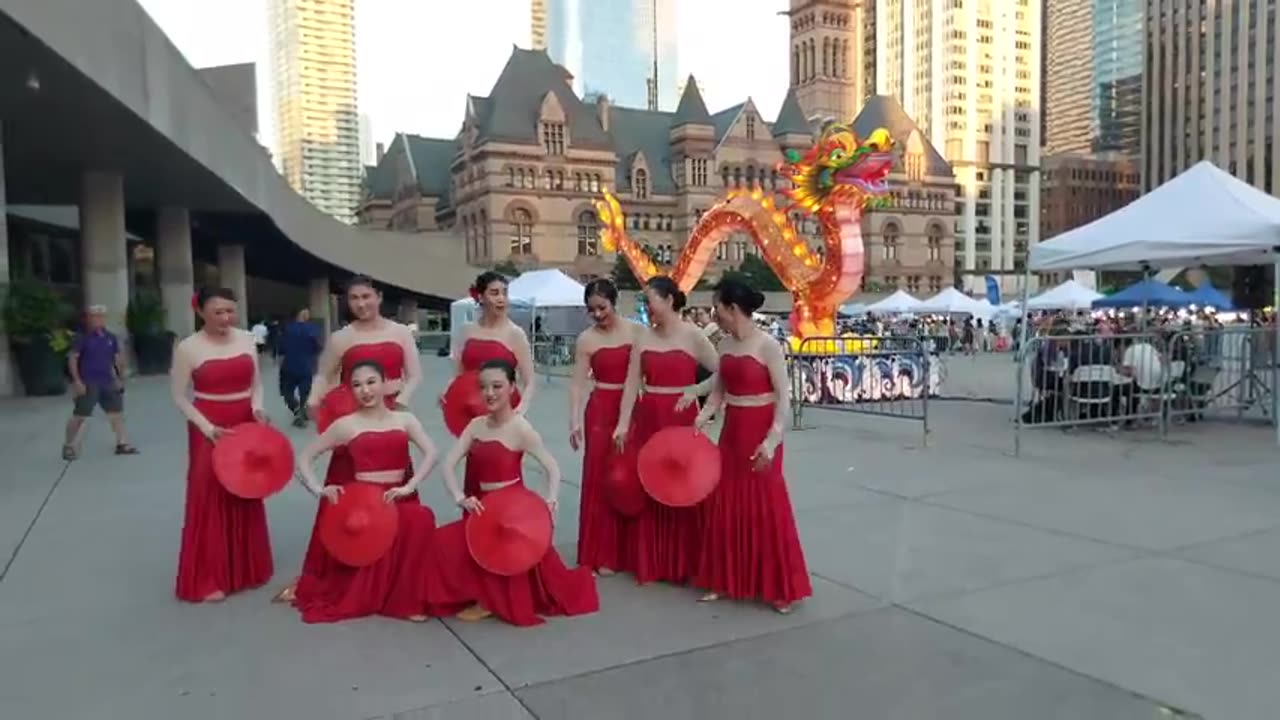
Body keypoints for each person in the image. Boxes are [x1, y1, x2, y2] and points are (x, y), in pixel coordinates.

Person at [272, 275, 422, 603]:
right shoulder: (342, 338)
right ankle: (339, 568)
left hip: (392, 417)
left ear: (379, 296)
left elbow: (415, 375)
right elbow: (324, 375)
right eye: (354, 299)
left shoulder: (399, 332)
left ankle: (396, 575)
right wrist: (313, 401)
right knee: (347, 499)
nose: (361, 304)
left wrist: (402, 404)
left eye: (367, 296)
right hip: (354, 420)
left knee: (395, 493)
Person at [429, 359, 598, 626]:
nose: (489, 393)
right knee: (440, 544)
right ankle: (478, 594)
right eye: (484, 387)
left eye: (497, 386)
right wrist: (460, 498)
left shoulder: (521, 428)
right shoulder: (475, 426)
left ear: (511, 388)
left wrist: (550, 499)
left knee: (502, 546)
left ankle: (488, 598)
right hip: (483, 508)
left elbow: (552, 467)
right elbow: (448, 464)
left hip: (513, 510)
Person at [693, 279, 812, 613]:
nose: (714, 314)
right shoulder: (726, 346)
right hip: (732, 431)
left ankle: (779, 588)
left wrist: (772, 440)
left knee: (767, 506)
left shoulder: (768, 345)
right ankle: (722, 579)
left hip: (761, 431)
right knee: (727, 505)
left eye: (718, 308)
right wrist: (703, 416)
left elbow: (784, 397)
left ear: (733, 309)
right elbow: (718, 389)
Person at [292, 360, 439, 623]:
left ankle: (406, 600)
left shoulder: (404, 419)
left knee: (421, 518)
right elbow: (304, 458)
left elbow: (432, 453)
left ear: (385, 384)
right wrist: (319, 489)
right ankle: (386, 598)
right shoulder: (346, 425)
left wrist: (410, 485)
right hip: (364, 503)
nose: (365, 390)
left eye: (371, 382)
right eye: (357, 385)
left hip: (396, 497)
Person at [613, 276, 718, 585]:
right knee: (651, 484)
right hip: (650, 418)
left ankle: (688, 561)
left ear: (670, 300)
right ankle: (654, 561)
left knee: (684, 484)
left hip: (682, 417)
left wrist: (697, 390)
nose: (647, 307)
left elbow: (723, 371)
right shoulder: (643, 338)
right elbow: (631, 385)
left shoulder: (694, 335)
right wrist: (622, 424)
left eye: (651, 300)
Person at [170, 287, 273, 602]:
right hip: (208, 425)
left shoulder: (246, 339)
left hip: (245, 420)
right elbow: (178, 396)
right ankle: (207, 577)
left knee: (245, 489)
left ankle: (247, 569)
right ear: (201, 312)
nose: (226, 318)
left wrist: (257, 408)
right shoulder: (188, 347)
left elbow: (256, 383)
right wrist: (208, 428)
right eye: (218, 312)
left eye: (230, 311)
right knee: (209, 494)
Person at [568, 278, 638, 576]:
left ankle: (631, 551)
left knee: (629, 477)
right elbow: (577, 384)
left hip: (632, 407)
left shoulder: (636, 331)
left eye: (602, 307)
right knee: (600, 478)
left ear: (614, 302)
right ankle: (601, 552)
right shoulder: (586, 339)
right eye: (591, 310)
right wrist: (574, 420)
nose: (597, 314)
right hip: (599, 409)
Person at [446, 271, 535, 413]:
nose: (501, 299)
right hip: (471, 409)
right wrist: (448, 393)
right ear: (481, 297)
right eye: (494, 293)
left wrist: (521, 409)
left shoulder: (515, 334)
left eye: (504, 293)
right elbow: (458, 376)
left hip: (505, 411)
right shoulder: (466, 331)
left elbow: (530, 381)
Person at [63, 304, 137, 460]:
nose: (98, 319)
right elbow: (72, 359)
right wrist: (77, 381)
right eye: (94, 316)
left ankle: (122, 443)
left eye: (101, 316)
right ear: (88, 318)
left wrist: (120, 378)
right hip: (88, 382)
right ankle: (68, 445)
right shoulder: (82, 337)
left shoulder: (110, 337)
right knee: (80, 416)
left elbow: (118, 358)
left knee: (116, 413)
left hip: (107, 381)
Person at [279, 307, 323, 426]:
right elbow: (318, 348)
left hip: (288, 366)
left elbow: (281, 348)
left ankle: (296, 409)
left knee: (287, 392)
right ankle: (302, 412)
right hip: (306, 366)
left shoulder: (287, 328)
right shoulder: (313, 329)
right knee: (305, 393)